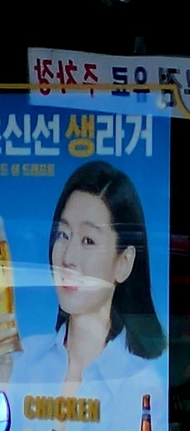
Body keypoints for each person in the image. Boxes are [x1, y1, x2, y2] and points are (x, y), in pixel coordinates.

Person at [4, 159, 165, 411]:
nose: (68, 258)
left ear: (124, 261)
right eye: (63, 235)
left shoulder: (139, 385)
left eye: (88, 240)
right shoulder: (23, 361)